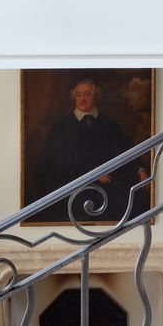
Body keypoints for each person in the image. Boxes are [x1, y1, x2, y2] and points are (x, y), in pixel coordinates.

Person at [36, 78, 149, 223]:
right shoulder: (61, 128)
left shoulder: (108, 124)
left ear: (95, 97)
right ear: (73, 97)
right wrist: (93, 175)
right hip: (73, 186)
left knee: (134, 197)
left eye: (87, 94)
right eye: (79, 94)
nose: (82, 99)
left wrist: (140, 170)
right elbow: (57, 164)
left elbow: (125, 149)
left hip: (109, 185)